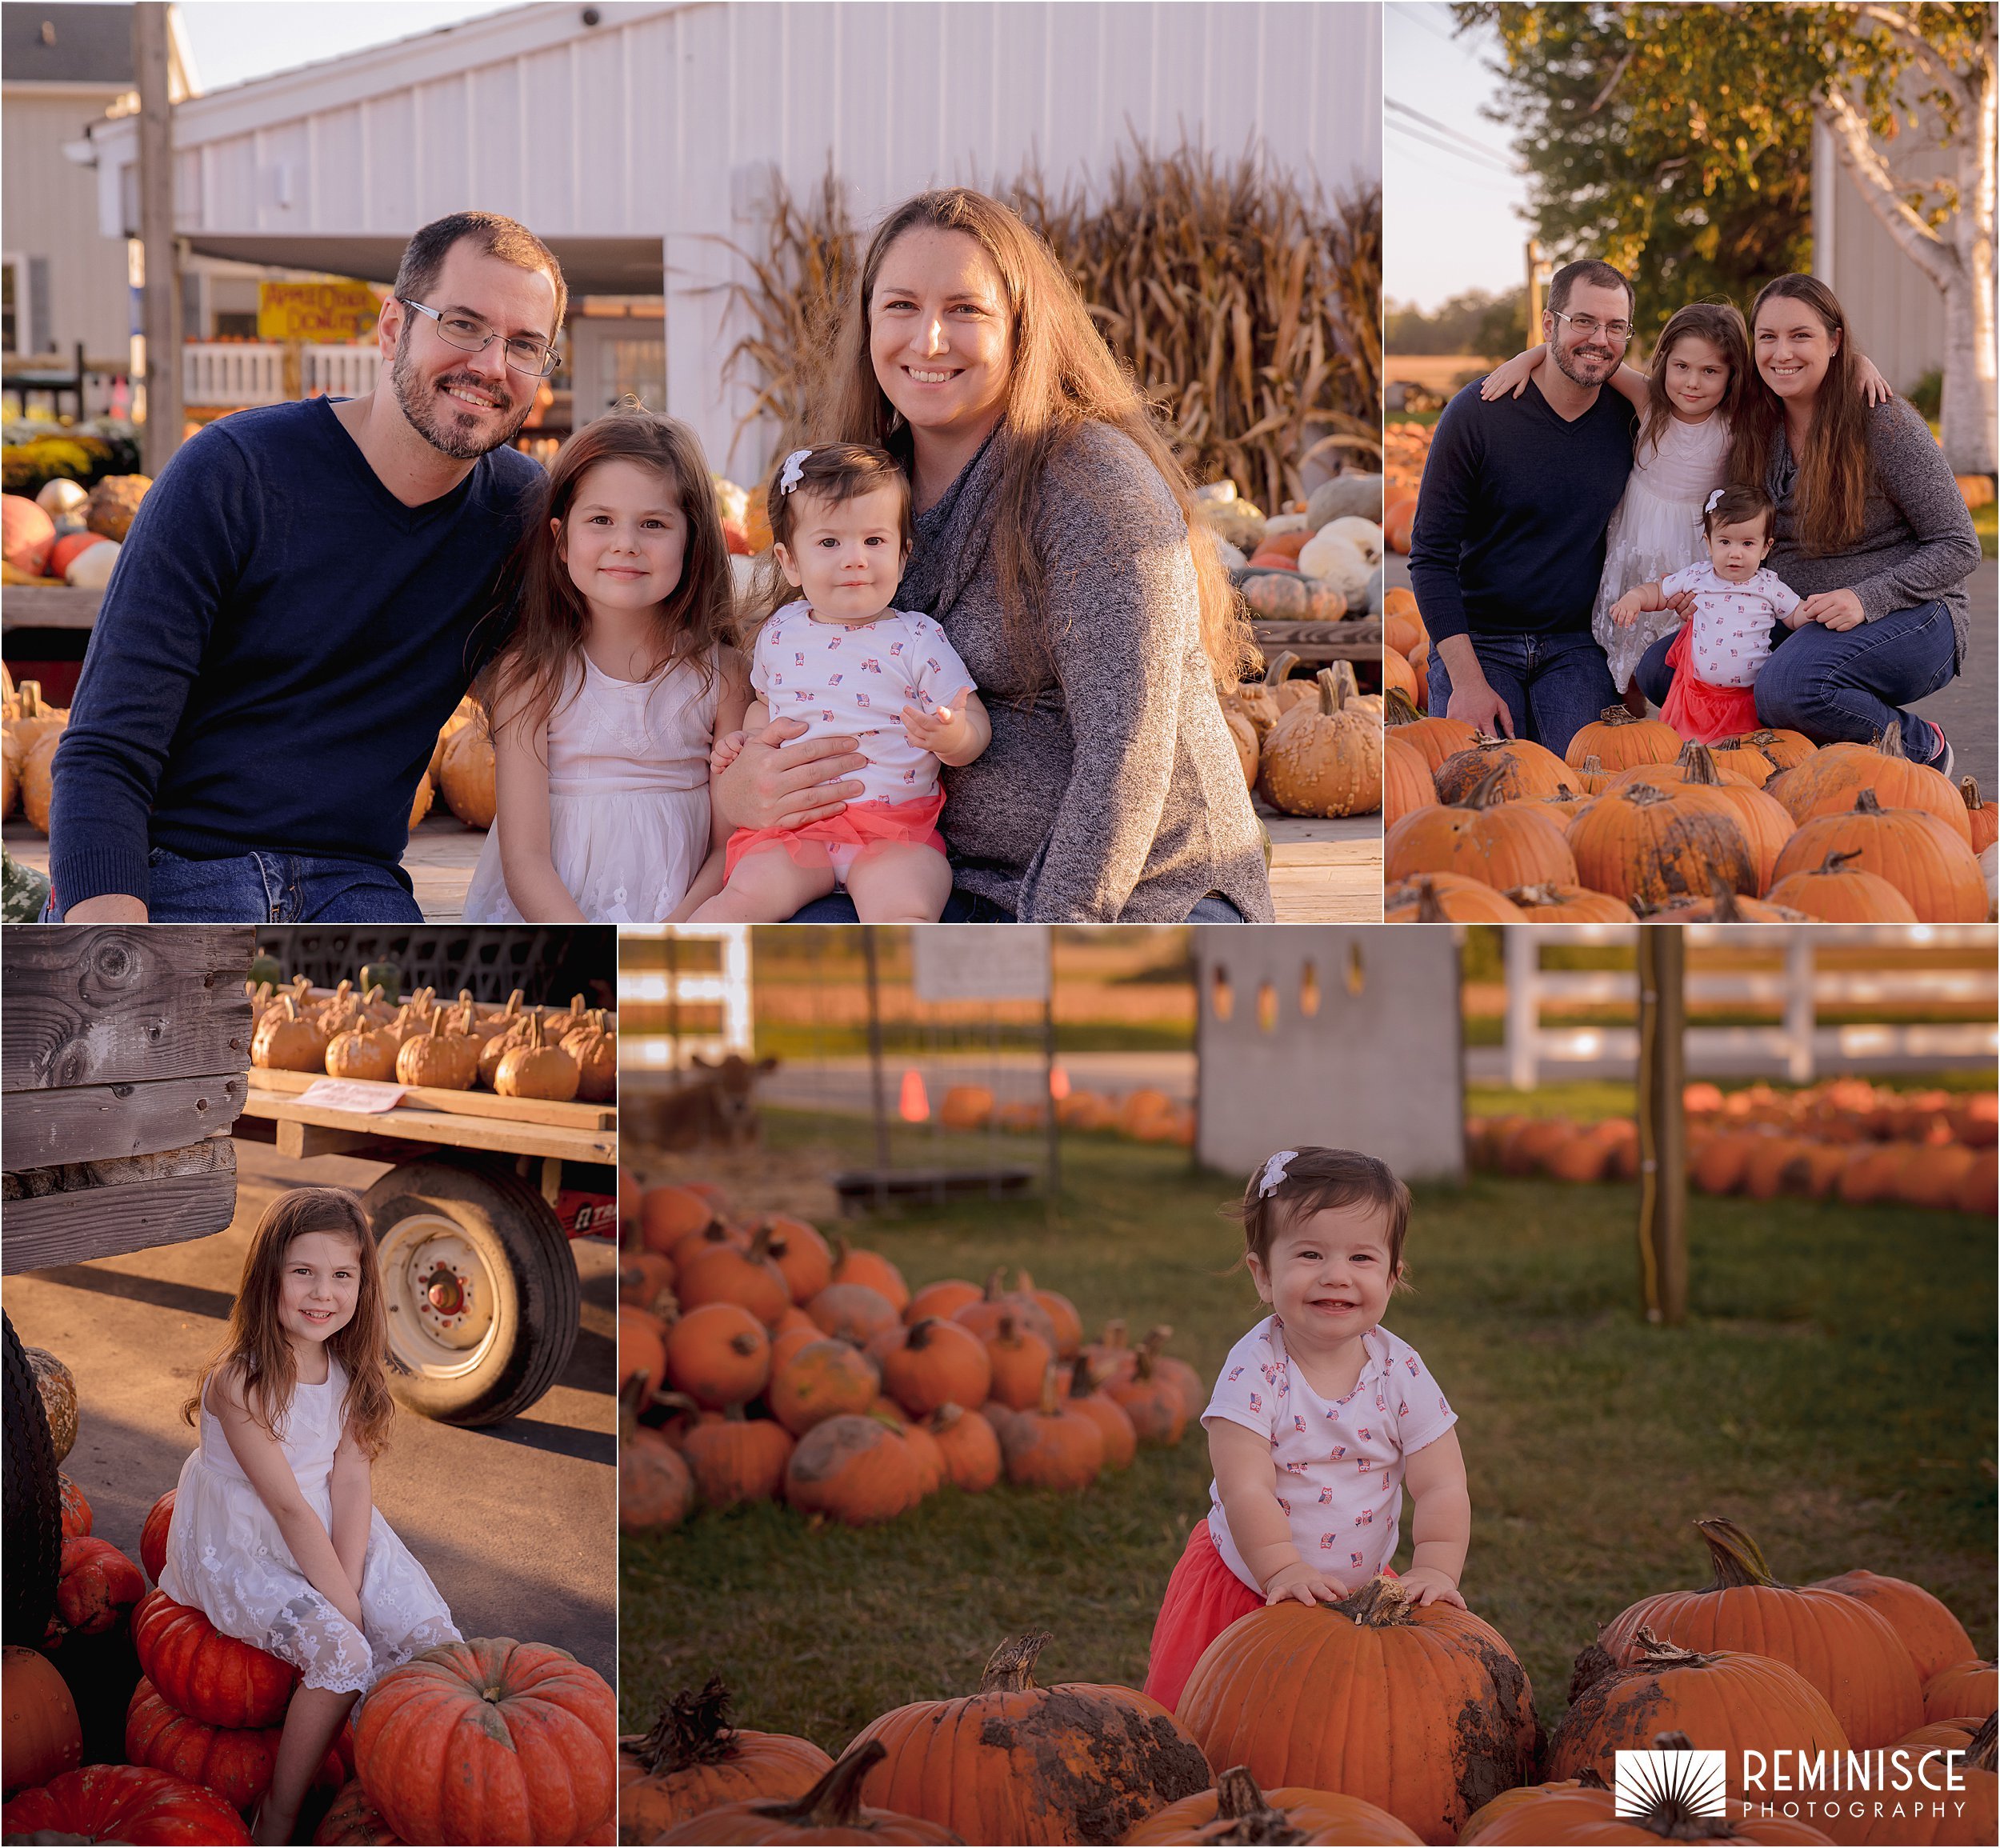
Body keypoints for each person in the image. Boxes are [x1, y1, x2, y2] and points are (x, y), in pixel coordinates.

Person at [711, 188, 1273, 923]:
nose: (929, 339)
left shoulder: (1093, 486)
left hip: (1137, 896)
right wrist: (742, 786)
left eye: (966, 310)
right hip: (924, 876)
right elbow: (807, 675)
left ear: (1021, 328)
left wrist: (1048, 945)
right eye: (901, 306)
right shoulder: (861, 488)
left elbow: (1126, 755)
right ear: (868, 324)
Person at [46, 211, 562, 922]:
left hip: (355, 892)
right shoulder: (233, 472)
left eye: (524, 345)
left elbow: (607, 675)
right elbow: (106, 749)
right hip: (171, 879)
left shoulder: (520, 514)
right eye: (463, 325)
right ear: (392, 329)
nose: (491, 364)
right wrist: (113, 957)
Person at [158, 1189, 457, 1846]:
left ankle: (409, 1798)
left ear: (363, 1285)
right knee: (345, 1652)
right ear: (269, 1277)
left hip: (331, 1525)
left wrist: (349, 1582)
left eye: (342, 1276)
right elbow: (287, 1507)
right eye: (304, 1272)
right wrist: (344, 1608)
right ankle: (280, 1816)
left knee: (435, 1648)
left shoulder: (348, 1370)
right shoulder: (240, 1382)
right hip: (249, 1540)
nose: (323, 1293)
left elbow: (350, 1482)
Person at [1140, 1147, 1469, 1714]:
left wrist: (1436, 1567)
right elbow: (1246, 1486)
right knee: (1223, 1720)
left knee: (1340, 1722)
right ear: (1264, 1274)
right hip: (1252, 1583)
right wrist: (1283, 1569)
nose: (1335, 1275)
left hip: (1359, 1593)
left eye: (1362, 1258)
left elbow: (1441, 1483)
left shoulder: (1400, 1370)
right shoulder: (1256, 1370)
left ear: (1393, 1276)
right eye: (1310, 1254)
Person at [1630, 274, 1980, 773]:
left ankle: (1923, 747)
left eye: (1801, 336)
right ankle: (1794, 760)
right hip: (1796, 616)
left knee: (1792, 687)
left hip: (1914, 614)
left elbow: (1959, 544)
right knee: (1664, 670)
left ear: (1835, 341)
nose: (1782, 352)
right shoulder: (1753, 422)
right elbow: (1654, 385)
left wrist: (1866, 598)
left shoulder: (1883, 421)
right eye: (1768, 338)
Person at [1482, 301, 1890, 710]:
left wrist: (1857, 363)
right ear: (1665, 364)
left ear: (1732, 375)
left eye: (1710, 371)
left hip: (1696, 551)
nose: (1692, 382)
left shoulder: (1739, 419)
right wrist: (1527, 357)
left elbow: (1806, 363)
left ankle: (1685, 726)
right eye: (1681, 367)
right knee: (1627, 647)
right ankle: (1630, 729)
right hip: (1635, 547)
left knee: (1689, 649)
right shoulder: (1649, 402)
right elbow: (1599, 362)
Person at [460, 411, 746, 922]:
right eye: (601, 520)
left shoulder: (722, 678)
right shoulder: (532, 678)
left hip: (687, 919)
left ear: (692, 539)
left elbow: (730, 848)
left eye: (654, 524)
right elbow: (525, 858)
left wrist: (674, 937)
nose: (626, 543)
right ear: (562, 539)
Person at [692, 443, 989, 922]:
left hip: (893, 832)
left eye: (874, 542)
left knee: (904, 906)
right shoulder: (779, 632)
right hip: (798, 828)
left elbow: (972, 716)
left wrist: (955, 737)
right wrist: (749, 743)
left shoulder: (917, 638)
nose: (855, 559)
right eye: (830, 543)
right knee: (741, 900)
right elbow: (766, 707)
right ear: (790, 562)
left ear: (903, 554)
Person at [1406, 259, 1638, 760]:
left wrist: (1853, 363)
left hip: (1577, 643)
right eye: (1584, 321)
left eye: (1615, 327)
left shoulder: (1634, 420)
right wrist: (1467, 683)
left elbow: (1717, 394)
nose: (1600, 338)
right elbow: (1430, 556)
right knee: (1485, 782)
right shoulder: (1477, 413)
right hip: (1480, 639)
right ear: (1550, 324)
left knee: (1582, 783)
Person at [1613, 484, 1807, 743]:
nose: (1735, 553)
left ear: (1765, 548)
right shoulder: (1698, 576)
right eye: (1725, 541)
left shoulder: (1769, 585)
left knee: (1744, 754)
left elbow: (1795, 615)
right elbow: (1660, 592)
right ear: (1709, 543)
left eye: (1747, 543)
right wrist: (1635, 598)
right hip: (1698, 694)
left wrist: (1815, 612)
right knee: (1693, 750)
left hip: (1747, 696)